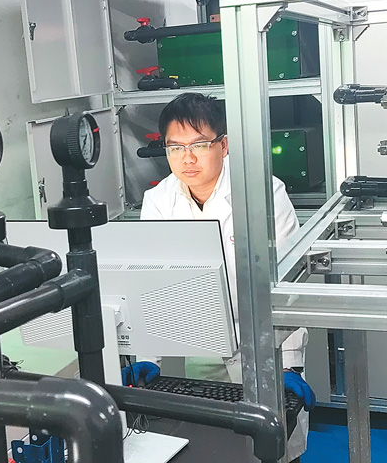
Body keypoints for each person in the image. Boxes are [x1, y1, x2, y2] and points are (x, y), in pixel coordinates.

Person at [122, 92, 315, 462]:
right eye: (175, 147)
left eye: (199, 145)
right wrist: (147, 355)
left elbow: (288, 285)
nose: (187, 158)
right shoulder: (159, 201)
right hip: (200, 345)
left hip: (263, 346)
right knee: (212, 445)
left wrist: (288, 363)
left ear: (223, 145)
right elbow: (152, 285)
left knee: (274, 447)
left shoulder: (262, 193)